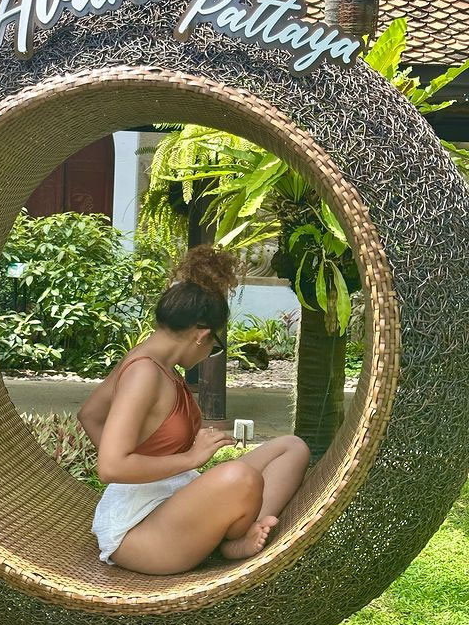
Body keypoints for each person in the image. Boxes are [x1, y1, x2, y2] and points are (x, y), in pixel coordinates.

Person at [77, 244, 311, 575]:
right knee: (240, 477)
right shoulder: (144, 372)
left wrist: (152, 455)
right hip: (141, 532)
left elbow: (89, 414)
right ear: (201, 334)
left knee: (291, 448)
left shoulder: (154, 362)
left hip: (176, 496)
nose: (210, 353)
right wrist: (188, 458)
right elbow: (111, 467)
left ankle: (237, 533)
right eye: (216, 345)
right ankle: (232, 542)